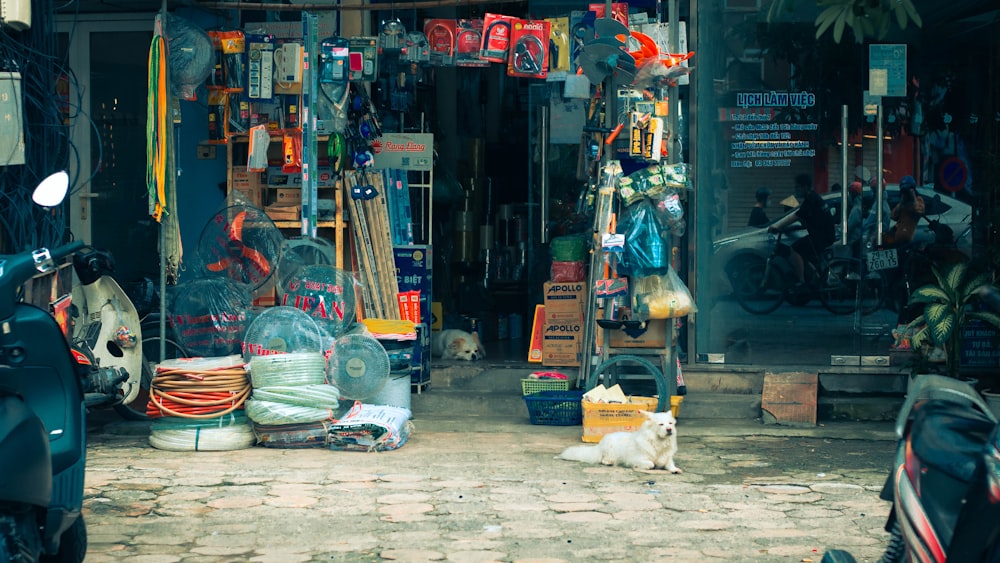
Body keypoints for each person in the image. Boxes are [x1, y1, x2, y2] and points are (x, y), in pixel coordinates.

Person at [768, 174, 836, 287]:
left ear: (805, 187)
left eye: (798, 187)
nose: (797, 190)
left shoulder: (811, 199)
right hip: (823, 235)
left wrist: (777, 226)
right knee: (803, 253)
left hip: (821, 236)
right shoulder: (813, 197)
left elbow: (796, 216)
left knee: (794, 249)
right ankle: (815, 279)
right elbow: (805, 218)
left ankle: (801, 281)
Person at [883, 175, 925, 247]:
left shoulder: (918, 200)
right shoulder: (903, 202)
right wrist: (902, 202)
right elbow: (893, 216)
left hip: (908, 240)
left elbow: (919, 210)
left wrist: (913, 196)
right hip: (898, 239)